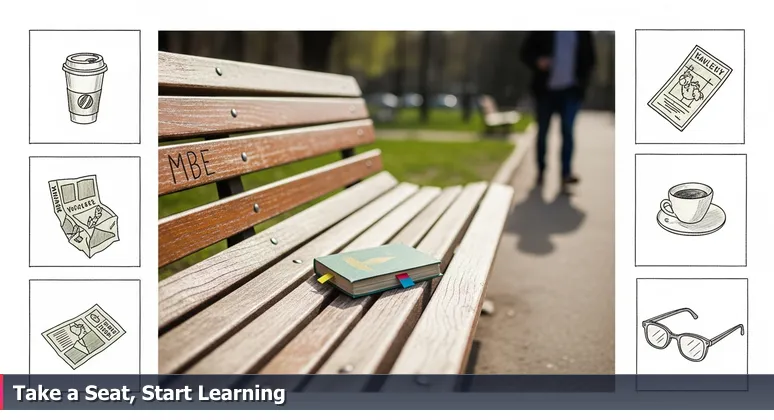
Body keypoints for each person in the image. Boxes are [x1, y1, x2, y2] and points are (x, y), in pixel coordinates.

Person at [520, 31, 596, 186]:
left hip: (571, 91)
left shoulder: (582, 32)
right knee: (542, 132)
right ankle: (541, 171)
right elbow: (525, 52)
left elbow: (591, 59)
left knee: (567, 131)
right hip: (545, 90)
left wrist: (582, 81)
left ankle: (566, 173)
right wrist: (537, 61)